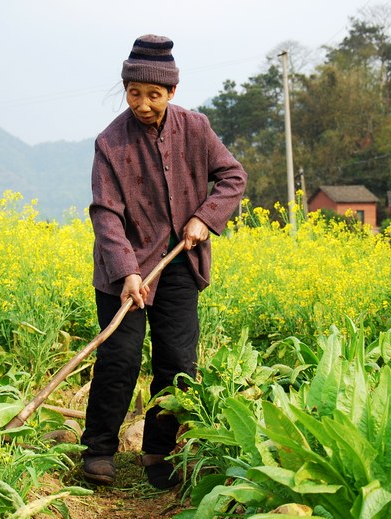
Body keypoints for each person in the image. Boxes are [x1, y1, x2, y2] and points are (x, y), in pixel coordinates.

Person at [81, 34, 247, 489]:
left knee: (176, 362)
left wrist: (204, 218)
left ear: (172, 92)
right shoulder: (110, 143)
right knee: (119, 358)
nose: (142, 103)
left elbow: (233, 176)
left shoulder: (196, 129)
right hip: (124, 268)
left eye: (153, 94)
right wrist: (128, 271)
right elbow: (106, 213)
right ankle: (98, 450)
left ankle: (158, 451)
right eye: (134, 92)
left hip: (178, 265)